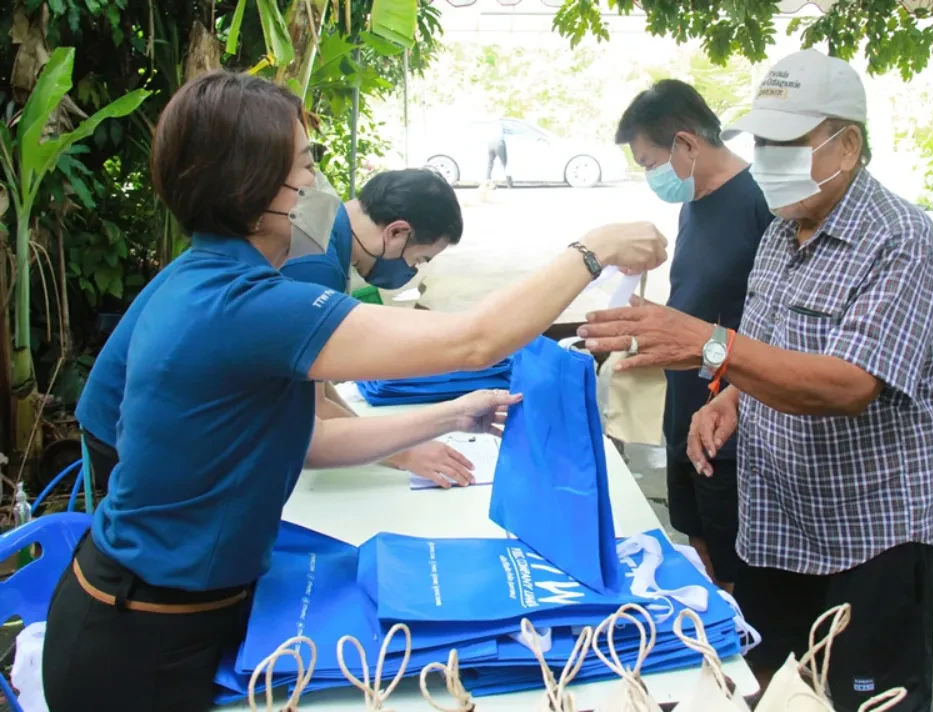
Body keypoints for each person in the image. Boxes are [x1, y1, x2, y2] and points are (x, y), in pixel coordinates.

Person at [42, 70, 666, 712]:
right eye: (304, 167)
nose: (316, 186)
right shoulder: (248, 304)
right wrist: (594, 248)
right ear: (250, 187)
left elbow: (307, 439)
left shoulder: (210, 276)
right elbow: (474, 341)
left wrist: (454, 411)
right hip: (139, 641)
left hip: (166, 613)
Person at [577, 49, 933, 711]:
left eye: (791, 142)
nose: (771, 158)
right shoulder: (784, 230)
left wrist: (709, 347)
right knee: (760, 681)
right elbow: (773, 345)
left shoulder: (901, 239)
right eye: (765, 141)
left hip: (869, 536)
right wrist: (734, 399)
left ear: (848, 144)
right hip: (778, 517)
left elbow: (849, 383)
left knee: (864, 694)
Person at [75, 168, 478, 490]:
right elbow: (313, 423)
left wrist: (368, 429)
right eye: (419, 259)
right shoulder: (315, 258)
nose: (411, 272)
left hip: (133, 399)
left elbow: (312, 377)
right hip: (126, 422)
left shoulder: (326, 224)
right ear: (396, 232)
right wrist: (406, 451)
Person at [614, 80, 772, 591]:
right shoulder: (694, 203)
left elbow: (775, 328)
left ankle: (744, 651)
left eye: (648, 162)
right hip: (684, 400)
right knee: (694, 534)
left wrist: (734, 391)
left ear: (685, 143)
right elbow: (698, 300)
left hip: (731, 414)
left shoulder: (759, 205)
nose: (650, 176)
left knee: (735, 557)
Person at [486, 122, 513, 189]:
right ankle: (509, 184)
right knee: (505, 164)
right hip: (499, 143)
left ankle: (486, 181)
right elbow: (511, 132)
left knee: (490, 164)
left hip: (490, 144)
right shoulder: (503, 124)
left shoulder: (491, 123)